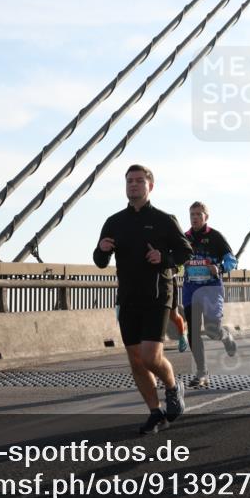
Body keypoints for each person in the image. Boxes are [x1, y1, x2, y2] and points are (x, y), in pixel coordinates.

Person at [94, 164, 193, 434]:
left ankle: (173, 387)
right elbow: (100, 261)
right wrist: (101, 250)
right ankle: (155, 411)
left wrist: (164, 258)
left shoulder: (164, 219)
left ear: (151, 186)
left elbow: (185, 252)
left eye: (139, 181)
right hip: (127, 297)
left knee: (150, 357)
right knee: (136, 360)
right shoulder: (114, 221)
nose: (133, 185)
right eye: (129, 181)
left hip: (157, 294)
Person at [183, 201, 238, 388]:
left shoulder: (215, 237)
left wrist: (220, 268)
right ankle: (202, 372)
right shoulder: (185, 238)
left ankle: (225, 337)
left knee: (212, 330)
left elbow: (232, 261)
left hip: (211, 289)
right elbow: (175, 258)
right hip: (191, 290)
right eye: (192, 214)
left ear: (206, 216)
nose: (195, 218)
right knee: (193, 331)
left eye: (198, 214)